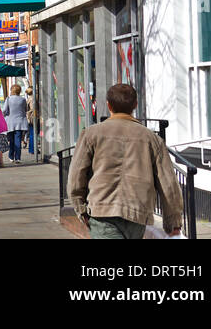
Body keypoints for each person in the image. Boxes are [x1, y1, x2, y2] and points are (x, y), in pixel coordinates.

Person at [68, 83, 182, 239]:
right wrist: (173, 223)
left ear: (108, 105)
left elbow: (76, 177)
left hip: (102, 211)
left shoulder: (91, 134)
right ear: (135, 105)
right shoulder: (152, 139)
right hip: (137, 212)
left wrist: (80, 208)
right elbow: (168, 185)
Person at [3, 86, 29, 163]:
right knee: (18, 140)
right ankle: (18, 157)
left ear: (11, 90)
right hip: (20, 122)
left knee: (11, 140)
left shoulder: (8, 99)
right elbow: (25, 109)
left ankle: (11, 157)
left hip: (10, 123)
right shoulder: (23, 100)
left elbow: (4, 110)